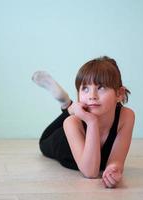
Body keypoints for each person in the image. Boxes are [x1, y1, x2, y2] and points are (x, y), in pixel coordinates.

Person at [32, 56, 135, 188]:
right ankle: (68, 107)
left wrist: (113, 169)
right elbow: (91, 172)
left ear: (119, 93)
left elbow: (116, 160)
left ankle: (68, 105)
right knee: (43, 142)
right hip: (63, 145)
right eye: (85, 88)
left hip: (86, 139)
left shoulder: (126, 116)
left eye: (101, 87)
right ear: (78, 94)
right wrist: (92, 122)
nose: (92, 95)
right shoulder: (72, 123)